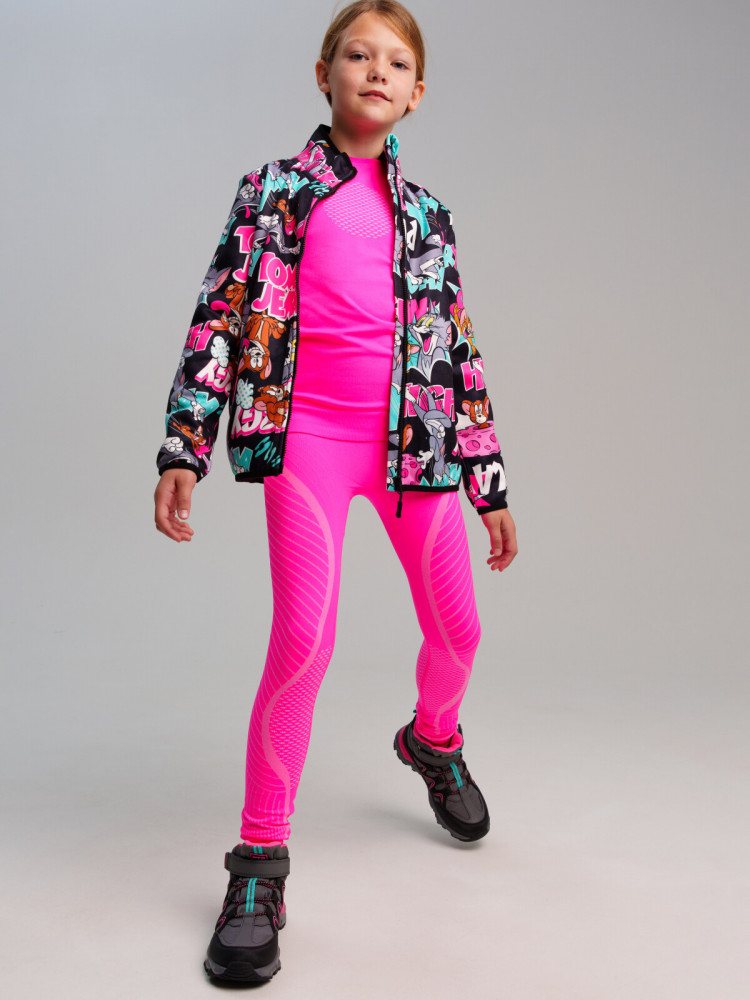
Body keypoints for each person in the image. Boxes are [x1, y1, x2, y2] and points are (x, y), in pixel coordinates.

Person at [153, 0, 517, 984]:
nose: (376, 71)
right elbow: (220, 312)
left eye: (395, 61)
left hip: (413, 451)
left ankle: (432, 741)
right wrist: (186, 441)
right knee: (305, 641)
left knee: (460, 631)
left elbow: (459, 351)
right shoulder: (275, 191)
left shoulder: (430, 216)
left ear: (417, 93)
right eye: (358, 54)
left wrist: (487, 480)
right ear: (325, 74)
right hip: (308, 439)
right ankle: (258, 865)